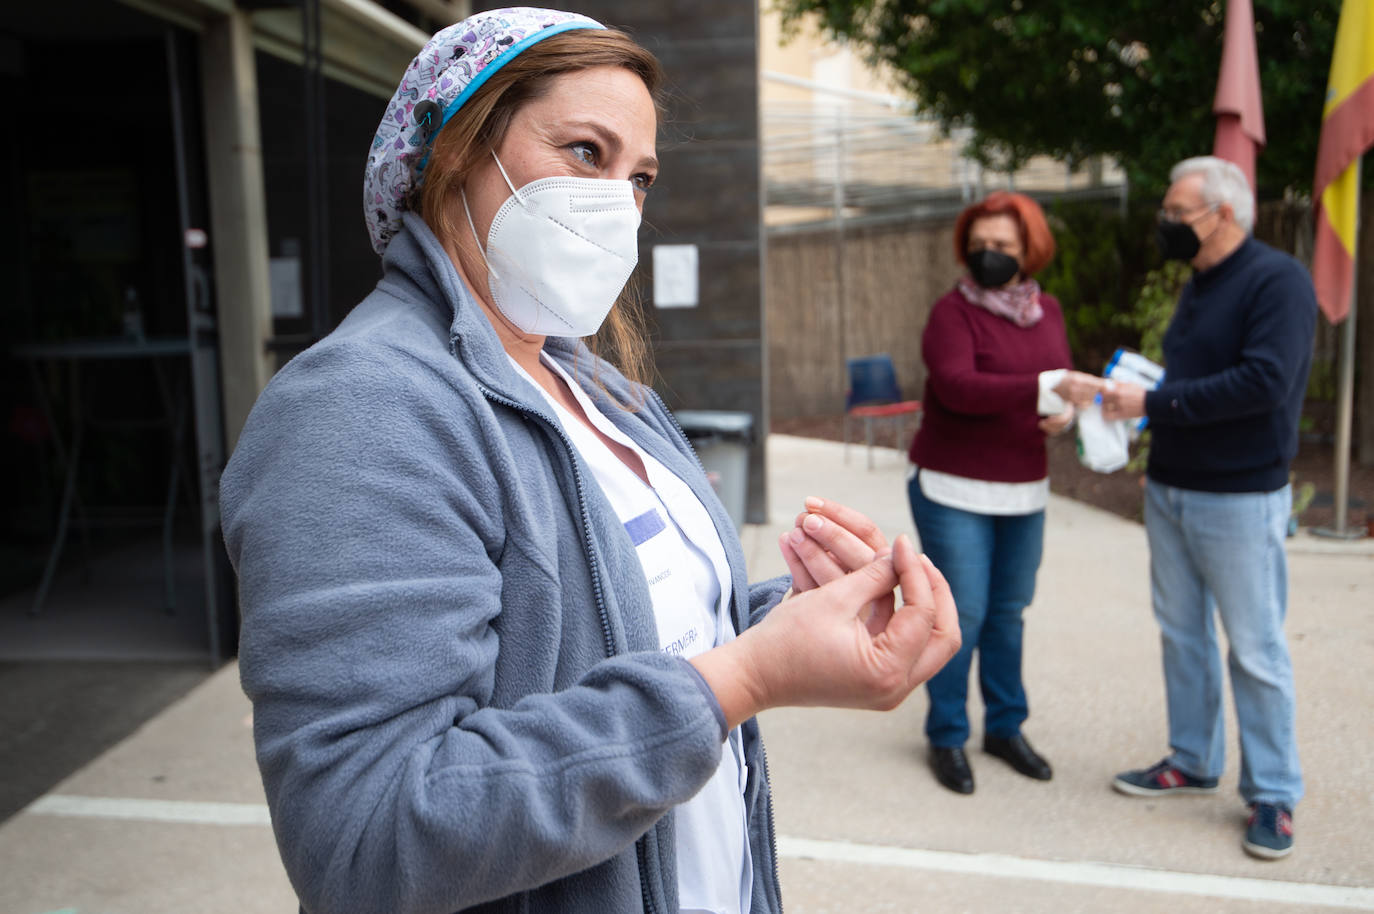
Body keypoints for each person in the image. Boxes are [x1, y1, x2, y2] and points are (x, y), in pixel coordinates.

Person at [219, 9, 960, 914]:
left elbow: (599, 625)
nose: (619, 199)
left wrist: (786, 620)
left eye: (639, 175)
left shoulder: (592, 384)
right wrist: (747, 680)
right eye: (584, 151)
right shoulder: (358, 408)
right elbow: (369, 838)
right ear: (455, 155)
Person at [1102, 156, 1315, 860]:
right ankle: (1191, 759)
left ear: (1224, 214)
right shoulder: (1199, 284)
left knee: (1254, 647)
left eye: (1176, 212)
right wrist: (1124, 401)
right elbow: (1189, 382)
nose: (1165, 224)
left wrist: (1152, 403)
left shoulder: (1277, 281)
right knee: (1182, 634)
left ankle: (1274, 794)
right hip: (1172, 487)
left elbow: (1262, 382)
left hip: (1240, 495)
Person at [904, 191, 1104, 795]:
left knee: (1008, 615)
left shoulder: (1050, 313)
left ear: (1029, 252)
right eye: (981, 245)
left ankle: (1005, 727)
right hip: (953, 487)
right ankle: (946, 733)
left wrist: (1061, 416)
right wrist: (1044, 387)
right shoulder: (951, 314)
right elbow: (960, 387)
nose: (988, 256)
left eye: (1004, 247)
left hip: (1024, 489)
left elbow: (1057, 389)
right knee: (960, 614)